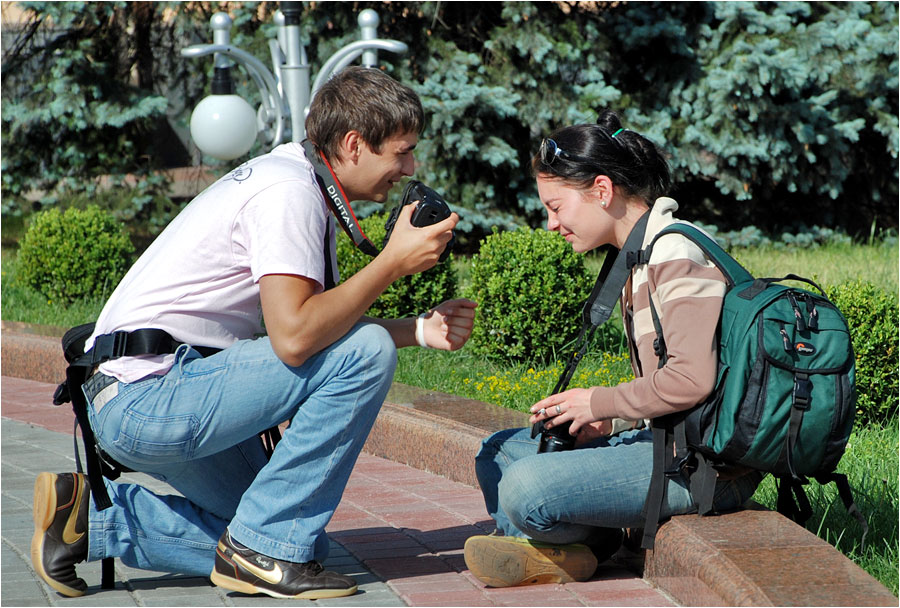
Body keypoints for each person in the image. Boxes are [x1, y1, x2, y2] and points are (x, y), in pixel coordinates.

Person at [31, 66, 477, 600]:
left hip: (153, 391)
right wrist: (391, 264)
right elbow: (294, 338)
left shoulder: (295, 180)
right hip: (149, 398)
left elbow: (312, 323)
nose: (409, 168)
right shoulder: (287, 193)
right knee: (278, 532)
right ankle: (259, 551)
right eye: (401, 152)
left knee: (293, 541)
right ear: (355, 144)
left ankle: (88, 521)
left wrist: (420, 330)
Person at [462, 110, 762, 588]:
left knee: (524, 484)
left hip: (706, 468)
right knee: (498, 452)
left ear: (602, 191)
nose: (550, 224)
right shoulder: (637, 255)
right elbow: (669, 387)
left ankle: (557, 549)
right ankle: (575, 549)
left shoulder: (676, 252)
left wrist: (597, 401)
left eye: (556, 207)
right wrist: (610, 420)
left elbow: (691, 380)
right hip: (666, 443)